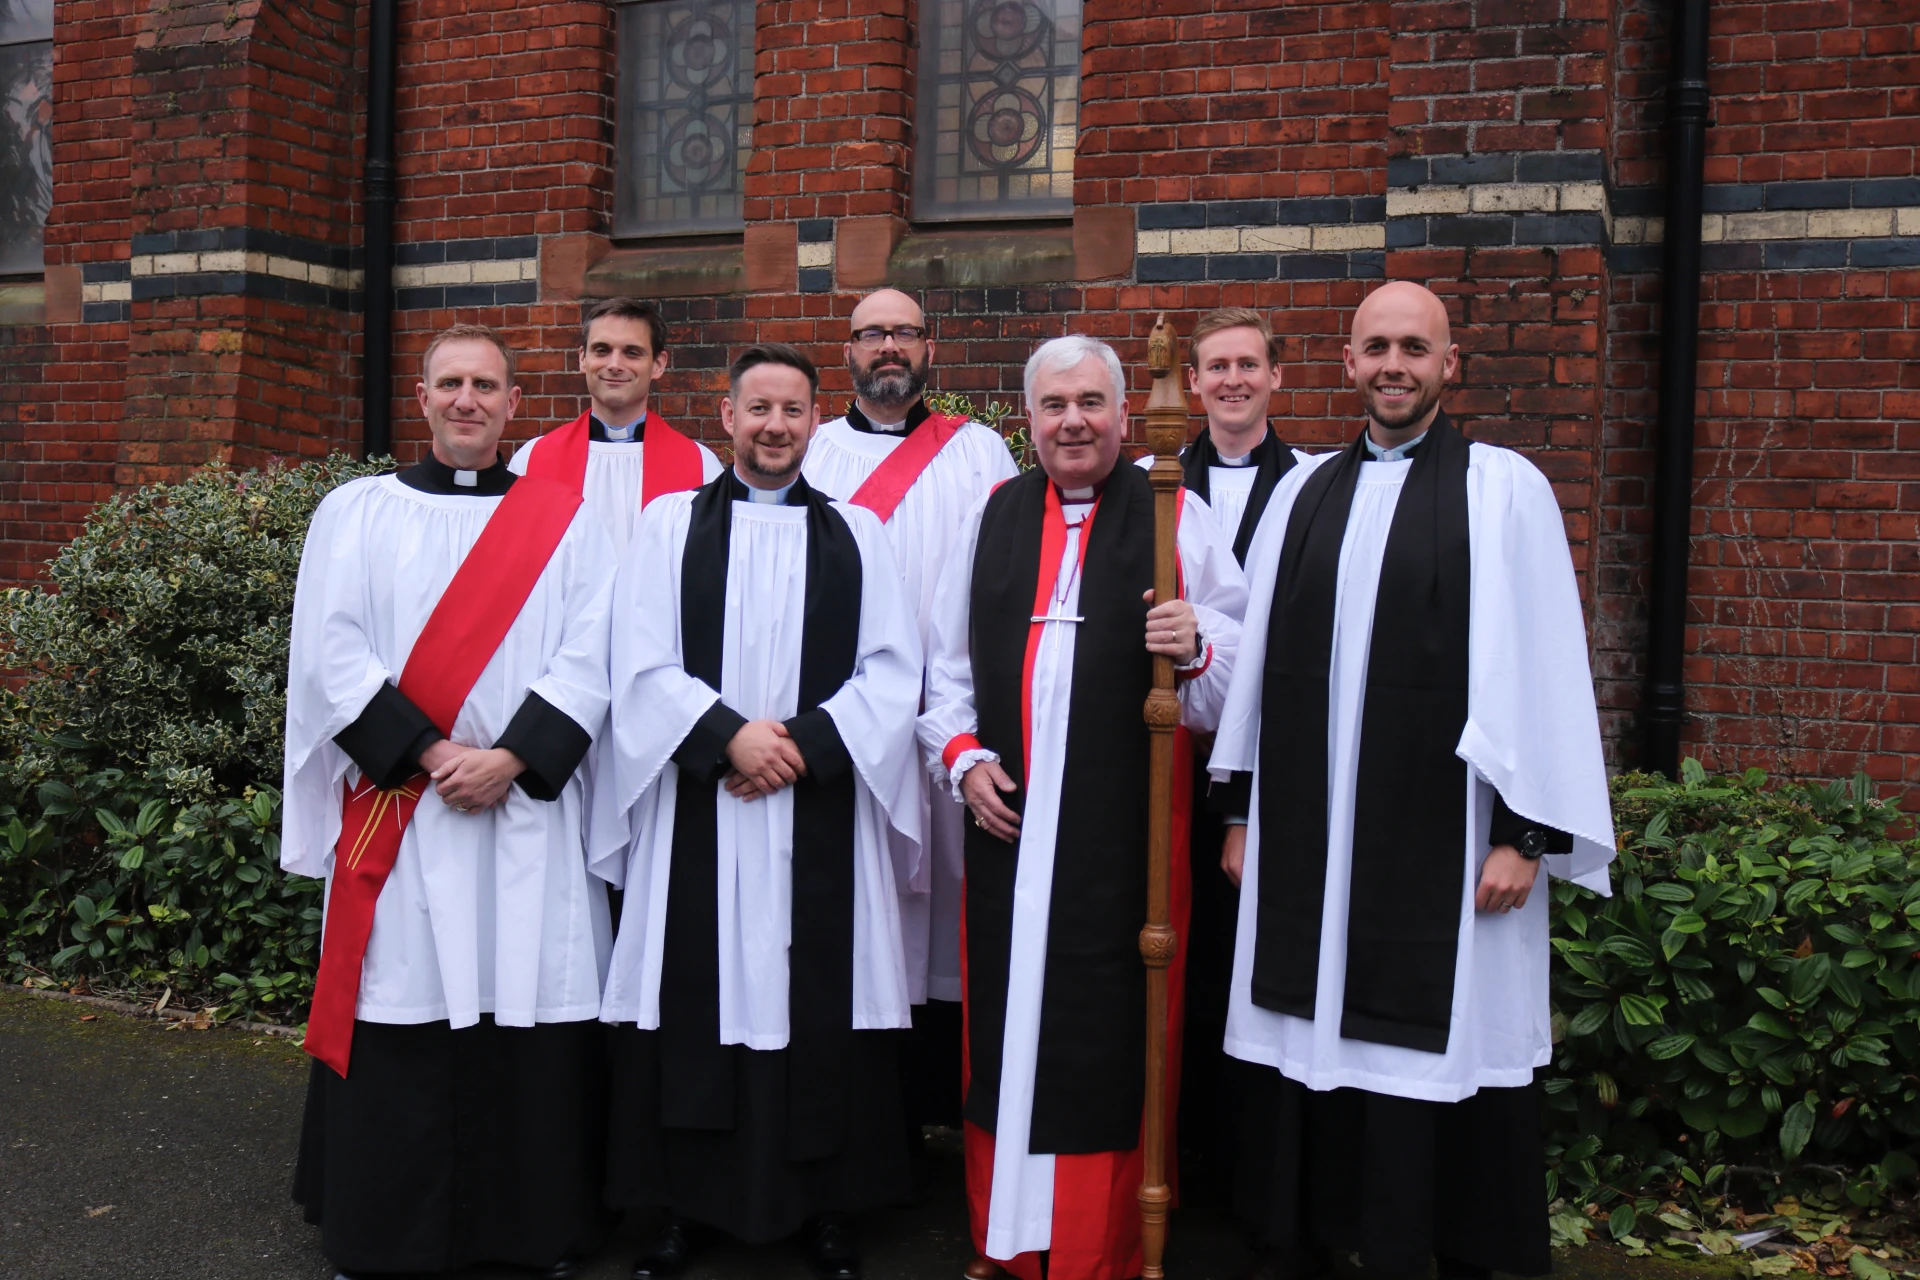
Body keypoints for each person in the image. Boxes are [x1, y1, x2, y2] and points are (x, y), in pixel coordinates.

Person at [1209, 282, 1615, 1279]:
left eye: (1414, 348)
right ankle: (1305, 1237)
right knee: (1309, 1036)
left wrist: (1525, 833)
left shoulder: (1501, 486)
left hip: (1453, 837)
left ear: (1450, 362)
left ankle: (1430, 1249)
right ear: (1347, 363)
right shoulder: (1304, 490)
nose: (1394, 365)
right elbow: (1263, 664)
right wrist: (1243, 807)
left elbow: (1543, 663)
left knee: (1435, 1049)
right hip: (1311, 837)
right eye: (1376, 347)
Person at [283, 324, 617, 1280]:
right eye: (450, 384)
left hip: (524, 815)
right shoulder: (355, 514)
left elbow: (594, 654)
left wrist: (512, 757)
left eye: (487, 386)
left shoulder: (569, 519)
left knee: (531, 1007)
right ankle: (385, 1235)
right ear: (422, 400)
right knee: (405, 1006)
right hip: (407, 811)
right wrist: (430, 753)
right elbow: (330, 652)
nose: (468, 401)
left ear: (517, 405)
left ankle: (533, 1231)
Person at [591, 343, 926, 1280]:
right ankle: (678, 1211)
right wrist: (728, 740)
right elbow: (640, 658)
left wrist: (803, 748)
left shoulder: (857, 533)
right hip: (703, 805)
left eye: (793, 410)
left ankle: (828, 1209)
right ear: (727, 417)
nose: (775, 425)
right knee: (692, 998)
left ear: (815, 422)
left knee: (820, 999)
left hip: (815, 809)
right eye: (759, 409)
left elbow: (894, 671)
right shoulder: (667, 526)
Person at [918, 334, 1248, 1280]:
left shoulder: (1173, 517)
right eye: (1054, 404)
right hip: (1010, 832)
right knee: (1009, 1023)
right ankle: (1004, 1235)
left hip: (1126, 839)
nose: (1073, 420)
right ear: (1027, 419)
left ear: (1122, 414)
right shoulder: (992, 518)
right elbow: (944, 674)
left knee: (1108, 1028)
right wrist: (965, 758)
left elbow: (1237, 682)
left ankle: (1095, 1244)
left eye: (1091, 402)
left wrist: (1194, 649)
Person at [801, 287, 1020, 1150]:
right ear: (847, 350)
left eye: (904, 332)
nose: (888, 347)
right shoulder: (808, 453)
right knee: (867, 911)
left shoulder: (981, 454)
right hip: (848, 725)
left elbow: (1007, 586)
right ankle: (872, 1120)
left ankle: (951, 1108)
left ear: (930, 348)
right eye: (871, 334)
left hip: (952, 722)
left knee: (952, 918)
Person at [1174, 308, 1311, 1198]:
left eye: (1248, 365)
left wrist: (1245, 803)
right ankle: (1173, 1156)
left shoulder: (1312, 485)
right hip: (1164, 759)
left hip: (1267, 762)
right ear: (1192, 383)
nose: (1232, 379)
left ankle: (1245, 1170)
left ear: (1275, 379)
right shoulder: (1149, 482)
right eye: (1215, 365)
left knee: (1246, 960)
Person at [509, 297, 722, 550]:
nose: (614, 365)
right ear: (582, 359)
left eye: (632, 353)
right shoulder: (531, 461)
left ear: (658, 364)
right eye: (601, 350)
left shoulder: (701, 466)